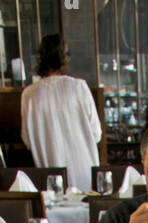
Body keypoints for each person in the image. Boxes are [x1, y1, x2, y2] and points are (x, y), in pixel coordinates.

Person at [20, 35, 101, 192]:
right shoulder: (79, 87)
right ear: (64, 59)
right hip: (85, 176)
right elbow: (96, 134)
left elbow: (27, 140)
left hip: (50, 179)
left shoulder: (29, 94)